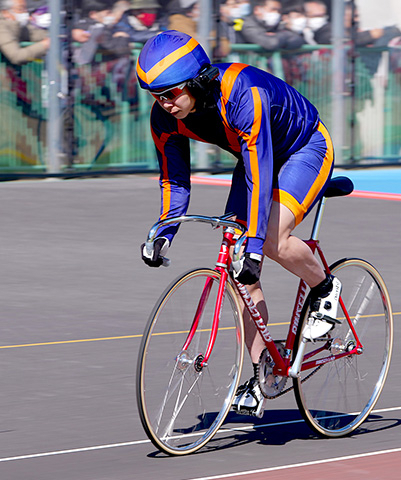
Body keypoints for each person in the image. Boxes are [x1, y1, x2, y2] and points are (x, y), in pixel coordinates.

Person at [137, 30, 342, 418]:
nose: (162, 104)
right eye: (154, 95)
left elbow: (262, 173)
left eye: (169, 94)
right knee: (237, 266)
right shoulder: (166, 118)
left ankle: (326, 286)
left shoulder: (242, 94)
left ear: (197, 82)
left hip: (302, 149)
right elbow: (174, 180)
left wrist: (255, 245)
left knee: (268, 241)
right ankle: (262, 371)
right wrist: (163, 233)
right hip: (254, 157)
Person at [0, 0, 50, 65]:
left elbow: (33, 34)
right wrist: (44, 45)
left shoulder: (16, 25)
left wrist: (54, 36)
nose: (26, 13)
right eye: (21, 9)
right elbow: (16, 56)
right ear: (5, 13)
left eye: (26, 9)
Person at [238, 0, 303, 51]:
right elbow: (271, 43)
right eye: (273, 9)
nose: (276, 13)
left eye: (278, 11)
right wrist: (284, 37)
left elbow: (298, 40)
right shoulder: (248, 24)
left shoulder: (277, 25)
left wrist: (280, 36)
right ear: (257, 10)